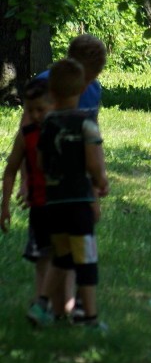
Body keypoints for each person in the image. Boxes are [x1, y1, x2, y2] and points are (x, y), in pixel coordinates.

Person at [37, 58, 109, 328]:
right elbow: (93, 163)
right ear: (82, 91)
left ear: (51, 92)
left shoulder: (47, 124)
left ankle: (41, 303)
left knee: (62, 255)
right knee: (86, 261)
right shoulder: (87, 124)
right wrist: (100, 181)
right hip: (80, 203)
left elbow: (42, 162)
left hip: (54, 202)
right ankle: (89, 317)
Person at [1, 78, 54, 323]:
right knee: (43, 256)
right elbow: (10, 169)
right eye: (29, 110)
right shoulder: (27, 135)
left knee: (63, 257)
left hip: (65, 207)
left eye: (40, 110)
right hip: (40, 207)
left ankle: (58, 302)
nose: (34, 115)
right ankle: (41, 301)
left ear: (55, 105)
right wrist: (4, 206)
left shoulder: (67, 132)